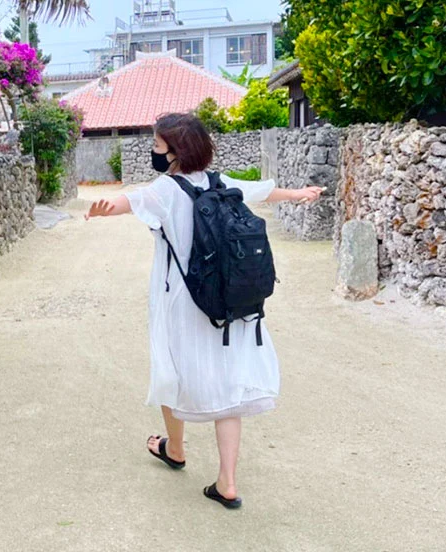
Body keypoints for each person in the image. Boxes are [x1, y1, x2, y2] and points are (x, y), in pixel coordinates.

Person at [85, 113, 324, 509]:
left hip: (184, 301)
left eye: (158, 147)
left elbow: (130, 200)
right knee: (228, 386)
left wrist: (103, 208)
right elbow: (262, 192)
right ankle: (227, 482)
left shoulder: (164, 189)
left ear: (175, 152)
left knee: (171, 370)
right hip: (229, 300)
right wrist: (299, 193)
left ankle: (175, 449)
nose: (155, 154)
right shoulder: (221, 183)